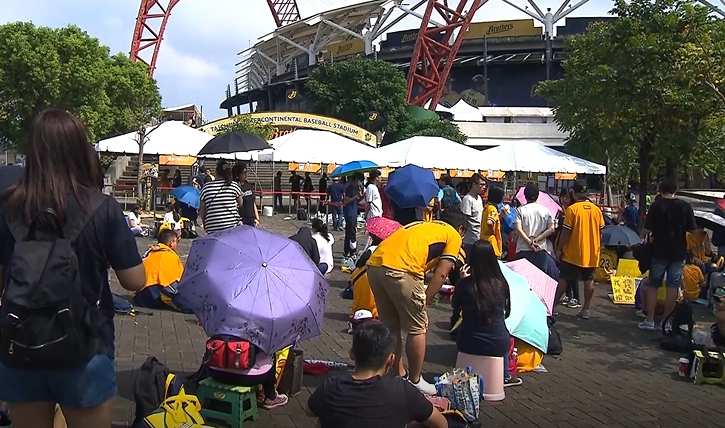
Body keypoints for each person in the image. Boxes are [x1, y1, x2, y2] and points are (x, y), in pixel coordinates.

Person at [0, 107, 146, 428]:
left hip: (20, 345)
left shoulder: (8, 206)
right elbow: (135, 280)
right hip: (85, 348)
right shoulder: (102, 208)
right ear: (79, 149)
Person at [366, 209, 466, 395]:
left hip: (374, 266)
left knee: (391, 326)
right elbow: (441, 274)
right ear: (460, 229)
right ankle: (415, 380)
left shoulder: (423, 225)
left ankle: (399, 375)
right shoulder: (453, 235)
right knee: (418, 328)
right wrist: (425, 302)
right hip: (401, 270)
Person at [305, 321, 447, 428]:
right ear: (391, 359)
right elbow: (441, 424)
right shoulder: (402, 390)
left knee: (323, 417)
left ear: (352, 353)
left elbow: (309, 411)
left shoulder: (331, 386)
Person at [452, 240, 522, 387]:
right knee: (501, 331)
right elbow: (506, 312)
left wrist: (461, 280)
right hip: (497, 344)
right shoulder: (501, 283)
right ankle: (505, 375)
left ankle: (465, 374)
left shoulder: (464, 285)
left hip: (468, 342)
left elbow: (455, 305)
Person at [638, 179, 697, 331]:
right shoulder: (685, 206)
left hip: (659, 251)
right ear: (675, 190)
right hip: (678, 252)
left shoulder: (656, 206)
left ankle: (650, 320)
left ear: (661, 190)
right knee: (673, 286)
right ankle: (666, 321)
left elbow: (647, 229)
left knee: (653, 285)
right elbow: (693, 230)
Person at [554, 180, 605, 319]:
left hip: (573, 252)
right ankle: (586, 309)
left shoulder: (572, 210)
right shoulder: (596, 210)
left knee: (564, 279)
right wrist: (597, 246)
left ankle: (552, 306)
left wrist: (559, 249)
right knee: (589, 280)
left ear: (574, 193)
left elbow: (566, 233)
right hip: (591, 253)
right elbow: (601, 232)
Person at [514, 183, 556, 274]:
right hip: (540, 249)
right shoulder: (545, 211)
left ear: (525, 195)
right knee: (539, 277)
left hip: (523, 249)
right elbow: (551, 229)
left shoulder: (520, 210)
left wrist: (529, 242)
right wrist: (538, 239)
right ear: (538, 195)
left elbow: (518, 229)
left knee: (524, 277)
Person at [198, 160, 243, 233]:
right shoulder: (233, 186)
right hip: (231, 226)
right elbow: (241, 205)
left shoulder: (207, 187)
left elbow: (202, 209)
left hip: (211, 226)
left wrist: (205, 223)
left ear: (216, 172)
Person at [555, 188, 580, 306]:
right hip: (561, 242)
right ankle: (568, 294)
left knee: (571, 274)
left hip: (570, 246)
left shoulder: (572, 211)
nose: (564, 199)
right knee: (565, 273)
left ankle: (576, 297)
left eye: (567, 197)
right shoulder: (561, 212)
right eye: (563, 197)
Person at [459, 173, 484, 256]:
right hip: (469, 240)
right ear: (474, 184)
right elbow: (464, 219)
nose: (484, 187)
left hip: (479, 237)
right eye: (481, 184)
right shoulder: (467, 199)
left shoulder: (479, 198)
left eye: (484, 185)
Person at [343, 173, 363, 261]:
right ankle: (350, 251)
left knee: (351, 233)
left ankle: (349, 250)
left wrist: (361, 197)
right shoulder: (349, 188)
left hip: (354, 213)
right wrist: (355, 197)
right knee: (351, 233)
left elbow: (356, 201)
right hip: (349, 214)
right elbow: (346, 201)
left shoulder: (356, 189)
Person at [233, 162, 260, 227]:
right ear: (238, 174)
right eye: (244, 172)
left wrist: (257, 218)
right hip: (241, 221)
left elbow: (253, 203)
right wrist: (238, 220)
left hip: (252, 221)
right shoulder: (235, 187)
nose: (246, 174)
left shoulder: (248, 185)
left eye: (246, 172)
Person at [480, 186, 504, 258]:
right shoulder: (493, 209)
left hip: (483, 239)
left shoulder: (487, 206)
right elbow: (489, 222)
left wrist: (501, 215)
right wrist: (491, 231)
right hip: (491, 242)